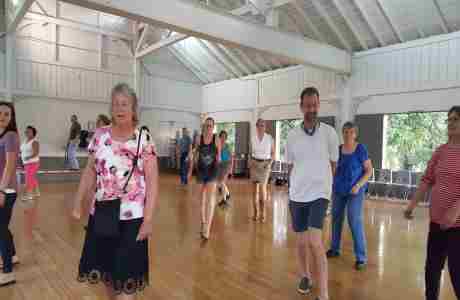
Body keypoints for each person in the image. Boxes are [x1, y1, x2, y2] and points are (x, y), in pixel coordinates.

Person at [72, 83, 159, 299]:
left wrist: (148, 219)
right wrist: (77, 201)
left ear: (133, 108)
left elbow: (153, 181)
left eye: (124, 104)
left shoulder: (143, 139)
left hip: (133, 219)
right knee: (109, 278)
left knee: (126, 285)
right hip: (102, 214)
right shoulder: (100, 135)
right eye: (115, 104)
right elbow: (90, 172)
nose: (119, 108)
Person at [285, 87, 339, 300]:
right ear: (301, 107)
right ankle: (305, 276)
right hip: (297, 195)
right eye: (308, 105)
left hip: (319, 195)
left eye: (315, 105)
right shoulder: (291, 135)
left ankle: (324, 294)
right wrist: (293, 187)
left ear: (319, 105)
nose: (312, 109)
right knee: (301, 242)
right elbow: (290, 166)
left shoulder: (330, 133)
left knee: (315, 241)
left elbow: (333, 164)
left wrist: (325, 186)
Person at [404, 106, 460, 300]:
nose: (451, 123)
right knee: (432, 271)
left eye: (456, 119)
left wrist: (455, 210)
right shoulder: (440, 151)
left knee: (457, 273)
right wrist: (412, 204)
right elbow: (427, 179)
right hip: (436, 223)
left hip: (457, 226)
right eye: (449, 119)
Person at [326, 121, 373, 270]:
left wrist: (358, 185)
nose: (348, 135)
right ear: (342, 133)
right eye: (345, 132)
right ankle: (335, 249)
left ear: (355, 134)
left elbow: (369, 170)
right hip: (339, 189)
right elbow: (333, 170)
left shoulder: (361, 149)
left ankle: (361, 257)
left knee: (354, 220)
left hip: (355, 191)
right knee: (336, 219)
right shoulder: (338, 150)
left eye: (351, 132)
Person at [0, 102, 20, 287]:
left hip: (7, 189)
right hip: (2, 187)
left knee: (0, 228)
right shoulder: (2, 136)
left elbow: (10, 165)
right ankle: (11, 255)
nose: (3, 117)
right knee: (2, 226)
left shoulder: (11, 136)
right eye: (0, 113)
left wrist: (1, 190)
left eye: (7, 114)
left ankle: (7, 273)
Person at [192, 117, 221, 240]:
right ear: (204, 126)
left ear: (213, 127)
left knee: (210, 200)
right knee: (201, 199)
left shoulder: (216, 139)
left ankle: (207, 228)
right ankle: (203, 222)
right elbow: (195, 153)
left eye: (210, 126)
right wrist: (192, 165)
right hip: (200, 171)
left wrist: (221, 179)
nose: (208, 128)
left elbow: (218, 157)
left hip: (212, 172)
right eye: (206, 125)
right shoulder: (199, 138)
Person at [249, 118, 274, 223]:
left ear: (265, 127)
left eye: (262, 125)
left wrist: (269, 164)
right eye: (259, 125)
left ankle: (263, 213)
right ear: (256, 126)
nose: (261, 127)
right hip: (254, 164)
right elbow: (250, 153)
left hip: (265, 164)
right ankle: (255, 213)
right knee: (254, 191)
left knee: (263, 190)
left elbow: (273, 153)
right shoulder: (252, 138)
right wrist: (250, 162)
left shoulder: (270, 138)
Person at [20, 126, 40, 202]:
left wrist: (28, 157)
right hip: (26, 163)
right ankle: (37, 192)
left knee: (28, 180)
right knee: (32, 178)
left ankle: (29, 195)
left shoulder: (35, 142)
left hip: (33, 163)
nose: (27, 132)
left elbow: (36, 153)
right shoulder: (24, 141)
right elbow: (22, 151)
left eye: (29, 131)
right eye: (26, 131)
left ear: (33, 133)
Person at [217, 130, 233, 207]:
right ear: (220, 137)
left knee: (222, 182)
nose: (223, 138)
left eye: (224, 137)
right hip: (219, 165)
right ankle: (228, 194)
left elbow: (231, 157)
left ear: (226, 138)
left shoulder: (227, 146)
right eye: (222, 136)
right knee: (220, 183)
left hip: (226, 164)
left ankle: (224, 200)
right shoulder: (217, 145)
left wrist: (231, 169)